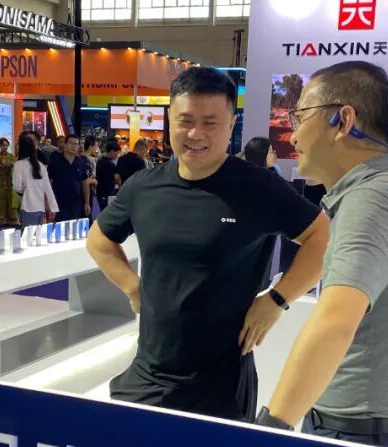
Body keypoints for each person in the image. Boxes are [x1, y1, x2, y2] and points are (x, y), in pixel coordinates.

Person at [87, 67, 329, 422]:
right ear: (170, 121)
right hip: (148, 375)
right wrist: (132, 286)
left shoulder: (258, 188)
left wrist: (277, 300)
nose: (195, 134)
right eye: (185, 121)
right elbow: (99, 239)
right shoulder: (143, 187)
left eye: (210, 123)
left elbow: (322, 237)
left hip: (222, 384)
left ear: (230, 126)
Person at [256, 60, 388, 447]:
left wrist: (267, 434)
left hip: (357, 440)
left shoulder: (373, 201)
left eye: (301, 117)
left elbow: (334, 325)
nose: (293, 134)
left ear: (342, 120)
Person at [13, 135, 58, 226]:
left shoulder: (19, 164)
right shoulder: (40, 165)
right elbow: (48, 188)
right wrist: (53, 207)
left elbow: (17, 187)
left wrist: (25, 189)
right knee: (38, 233)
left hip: (27, 206)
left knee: (28, 234)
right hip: (40, 207)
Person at [47, 134, 92, 222]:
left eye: (76, 144)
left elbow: (85, 183)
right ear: (65, 145)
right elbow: (49, 182)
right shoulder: (56, 161)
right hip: (59, 203)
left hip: (76, 204)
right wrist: (50, 203)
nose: (74, 146)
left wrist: (87, 203)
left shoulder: (80, 162)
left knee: (75, 228)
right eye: (71, 143)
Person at [0, 137, 16, 227]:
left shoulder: (11, 156)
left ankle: (10, 220)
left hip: (9, 183)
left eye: (6, 145)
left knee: (9, 200)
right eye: (3, 145)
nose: (5, 147)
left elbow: (16, 167)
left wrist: (11, 165)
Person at [95, 140, 120, 212]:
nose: (117, 155)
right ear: (111, 151)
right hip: (107, 192)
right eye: (117, 152)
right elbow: (116, 178)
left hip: (100, 192)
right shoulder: (110, 164)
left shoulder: (100, 161)